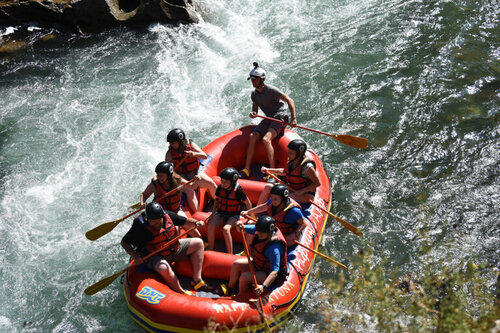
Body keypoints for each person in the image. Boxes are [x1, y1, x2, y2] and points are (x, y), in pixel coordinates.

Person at [121, 202, 211, 295]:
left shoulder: (167, 215)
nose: (157, 223)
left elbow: (185, 221)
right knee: (163, 268)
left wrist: (196, 222)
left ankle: (196, 280)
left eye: (159, 220)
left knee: (199, 243)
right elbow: (124, 242)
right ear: (148, 219)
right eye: (154, 221)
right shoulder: (139, 227)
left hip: (174, 249)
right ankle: (181, 291)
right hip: (155, 256)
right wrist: (135, 256)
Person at [239, 62, 297, 182]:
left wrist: (294, 118)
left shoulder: (271, 90)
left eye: (255, 79)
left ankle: (272, 172)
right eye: (252, 79)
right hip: (269, 117)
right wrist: (252, 114)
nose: (253, 81)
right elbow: (254, 110)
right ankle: (247, 169)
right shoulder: (254, 94)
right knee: (253, 136)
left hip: (280, 116)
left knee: (266, 139)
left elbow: (289, 100)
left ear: (262, 79)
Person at [216, 216, 287, 296]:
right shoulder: (260, 230)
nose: (258, 234)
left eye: (261, 233)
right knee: (236, 264)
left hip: (268, 274)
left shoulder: (274, 249)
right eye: (258, 231)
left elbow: (275, 271)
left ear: (269, 232)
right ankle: (231, 288)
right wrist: (239, 225)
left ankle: (241, 296)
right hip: (258, 265)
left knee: (245, 277)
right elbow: (241, 229)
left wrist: (263, 286)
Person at [140, 162, 201, 237]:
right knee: (175, 232)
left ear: (169, 175)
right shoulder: (155, 184)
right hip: (162, 214)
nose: (159, 178)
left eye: (162, 176)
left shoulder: (178, 181)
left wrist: (196, 181)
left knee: (190, 226)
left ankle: (201, 242)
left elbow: (192, 186)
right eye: (158, 175)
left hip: (176, 211)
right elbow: (144, 194)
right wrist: (142, 203)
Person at [165, 128, 217, 211]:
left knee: (211, 183)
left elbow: (204, 156)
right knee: (190, 192)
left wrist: (193, 154)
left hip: (195, 173)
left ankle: (218, 203)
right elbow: (168, 169)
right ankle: (198, 214)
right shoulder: (170, 153)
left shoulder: (190, 145)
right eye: (170, 143)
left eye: (174, 143)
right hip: (181, 177)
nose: (171, 145)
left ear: (181, 142)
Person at [241, 183, 307, 246]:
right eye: (272, 198)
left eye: (275, 199)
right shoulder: (273, 201)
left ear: (283, 199)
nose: (273, 200)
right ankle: (247, 251)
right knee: (253, 225)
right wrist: (248, 212)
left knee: (270, 243)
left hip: (286, 235)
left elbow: (304, 223)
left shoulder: (294, 211)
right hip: (274, 229)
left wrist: (295, 233)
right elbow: (264, 207)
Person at [259, 139, 321, 205]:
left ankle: (270, 211)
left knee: (281, 197)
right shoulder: (292, 161)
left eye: (291, 153)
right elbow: (284, 171)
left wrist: (301, 191)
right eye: (288, 152)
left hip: (305, 194)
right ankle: (254, 213)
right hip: (292, 188)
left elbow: (317, 183)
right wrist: (268, 170)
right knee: (268, 186)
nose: (288, 155)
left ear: (299, 154)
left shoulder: (308, 167)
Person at [207, 167, 252, 254]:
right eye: (222, 181)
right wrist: (212, 214)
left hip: (234, 215)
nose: (223, 183)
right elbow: (216, 200)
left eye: (226, 182)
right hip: (221, 213)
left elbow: (248, 202)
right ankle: (211, 249)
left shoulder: (238, 191)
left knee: (226, 229)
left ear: (232, 181)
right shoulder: (220, 188)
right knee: (211, 226)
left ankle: (229, 254)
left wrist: (249, 216)